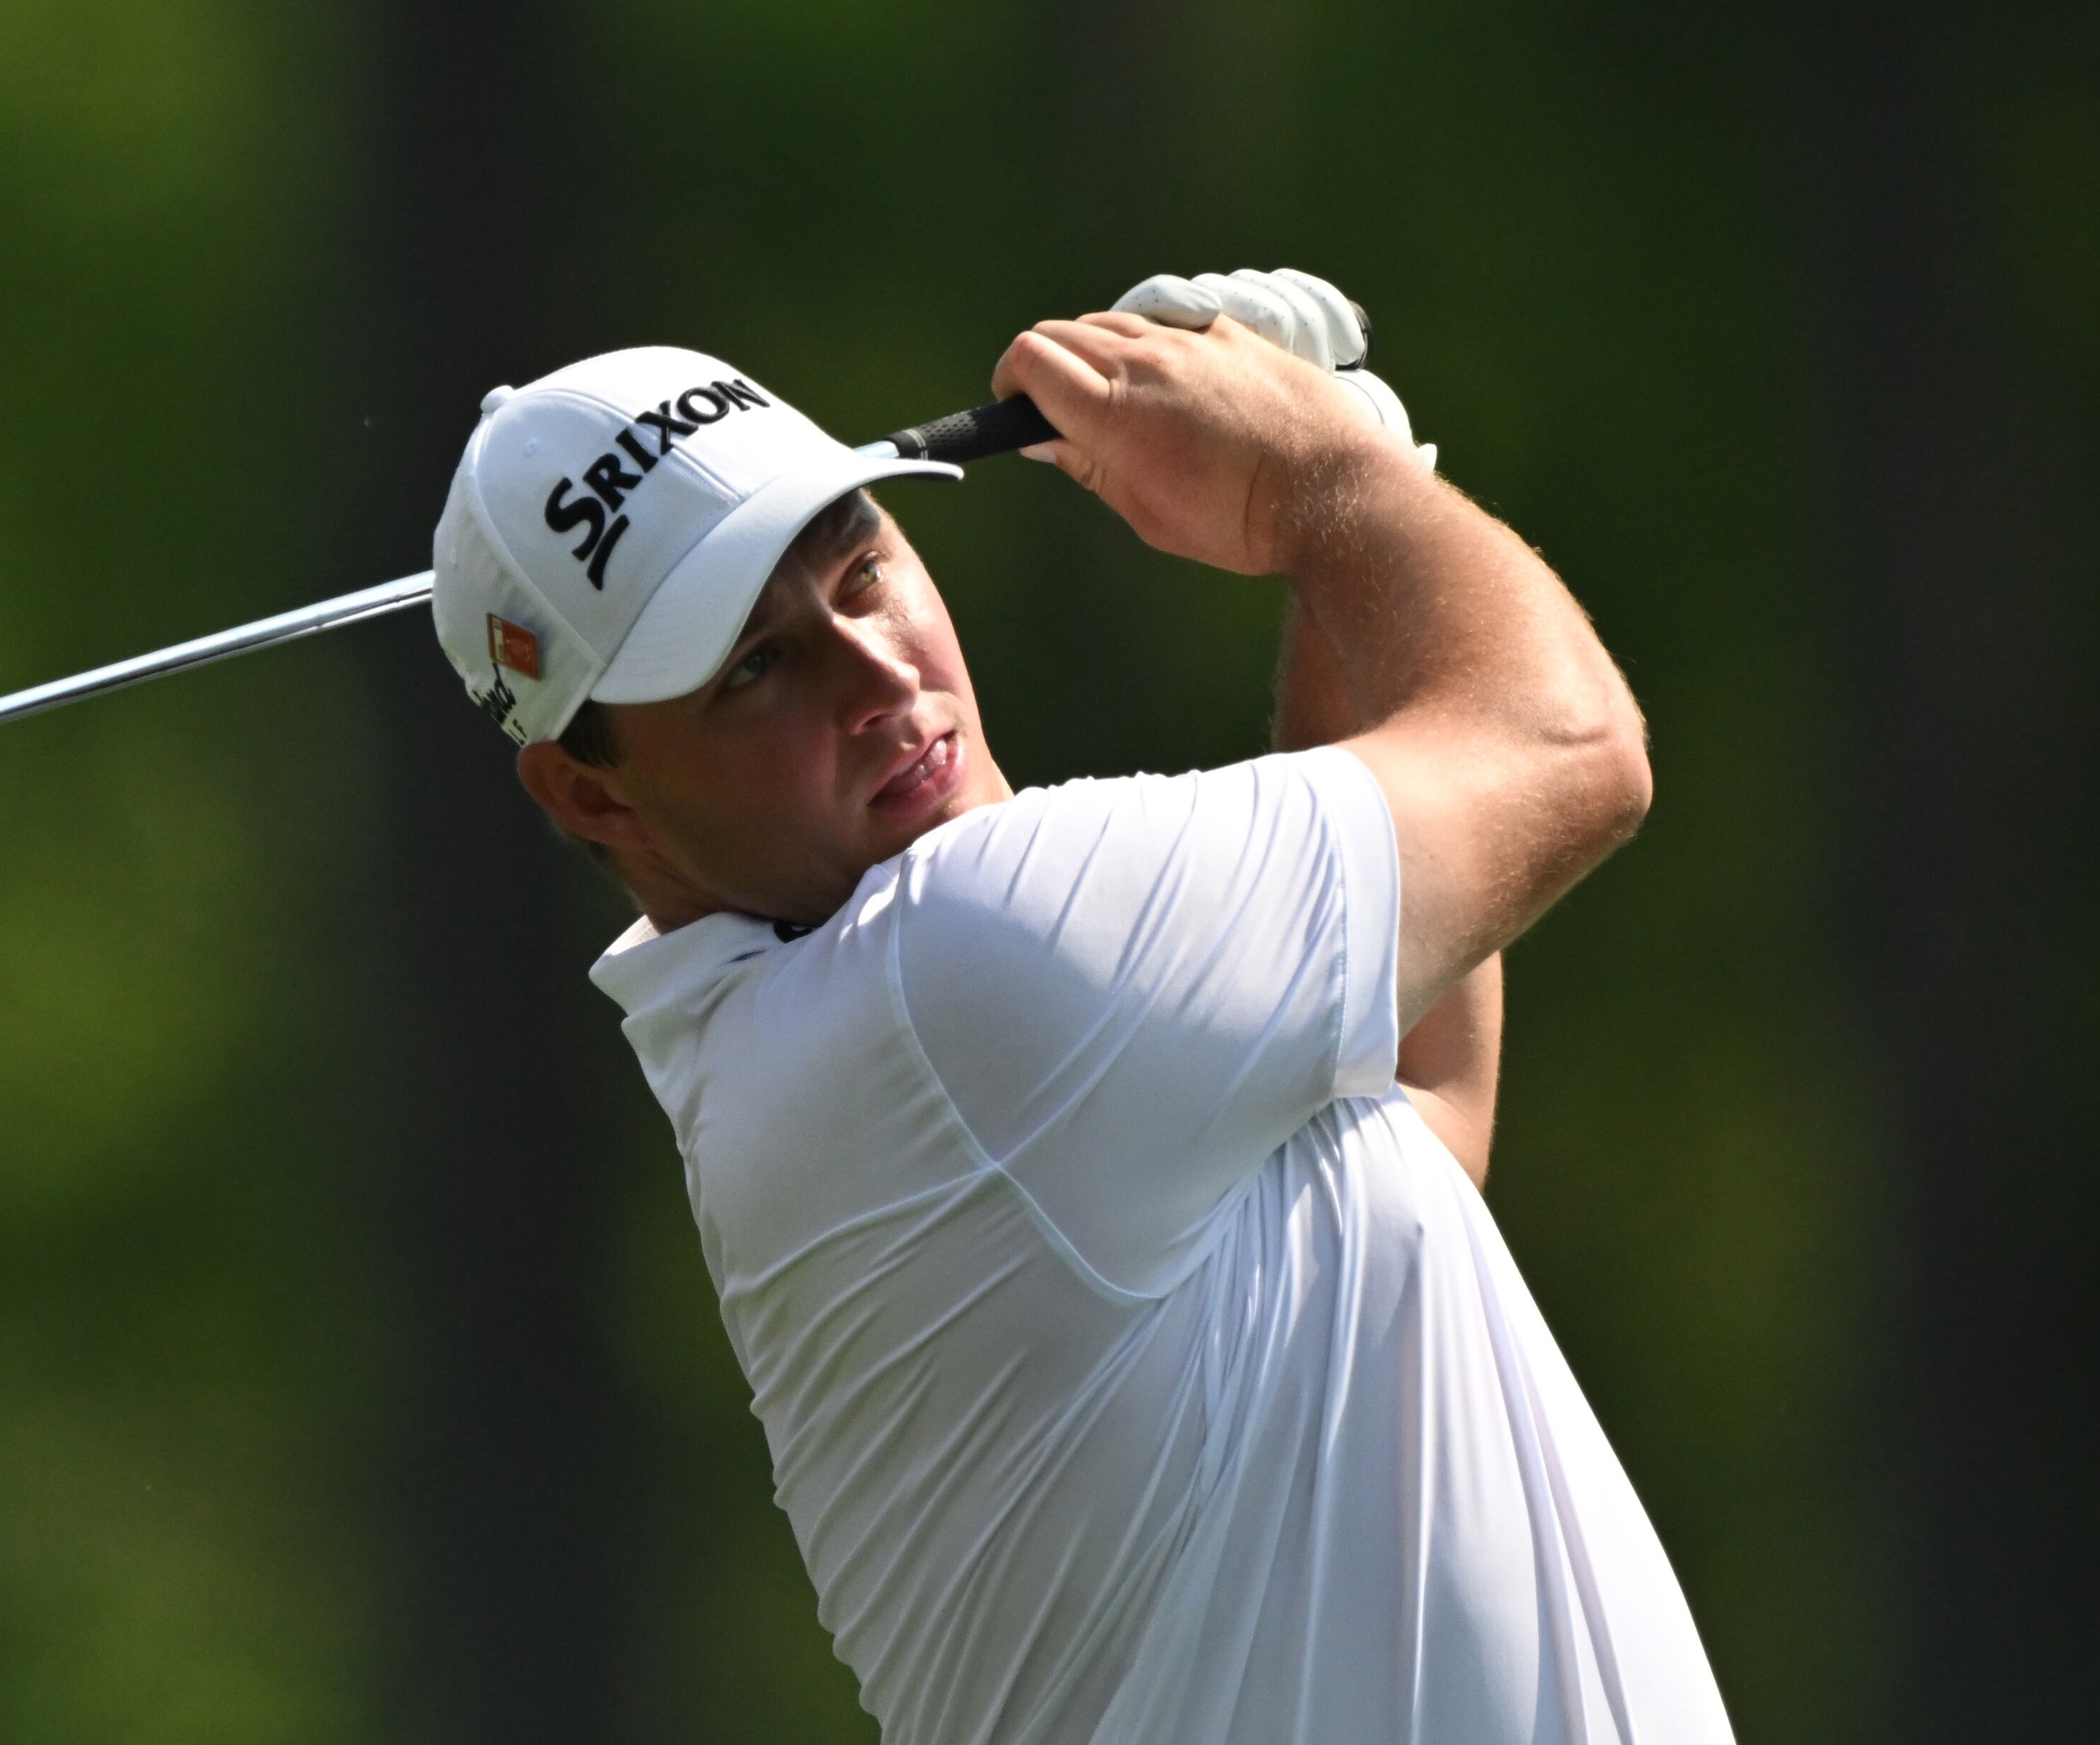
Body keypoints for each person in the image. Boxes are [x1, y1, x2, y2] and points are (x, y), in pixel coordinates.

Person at [427, 270, 1734, 1744]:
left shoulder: (861, 1043)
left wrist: (1351, 530)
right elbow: (1572, 753)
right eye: (756, 670)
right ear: (595, 793)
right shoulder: (952, 972)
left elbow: (1415, 1126)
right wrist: (1319, 479)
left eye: (859, 570)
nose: (877, 673)